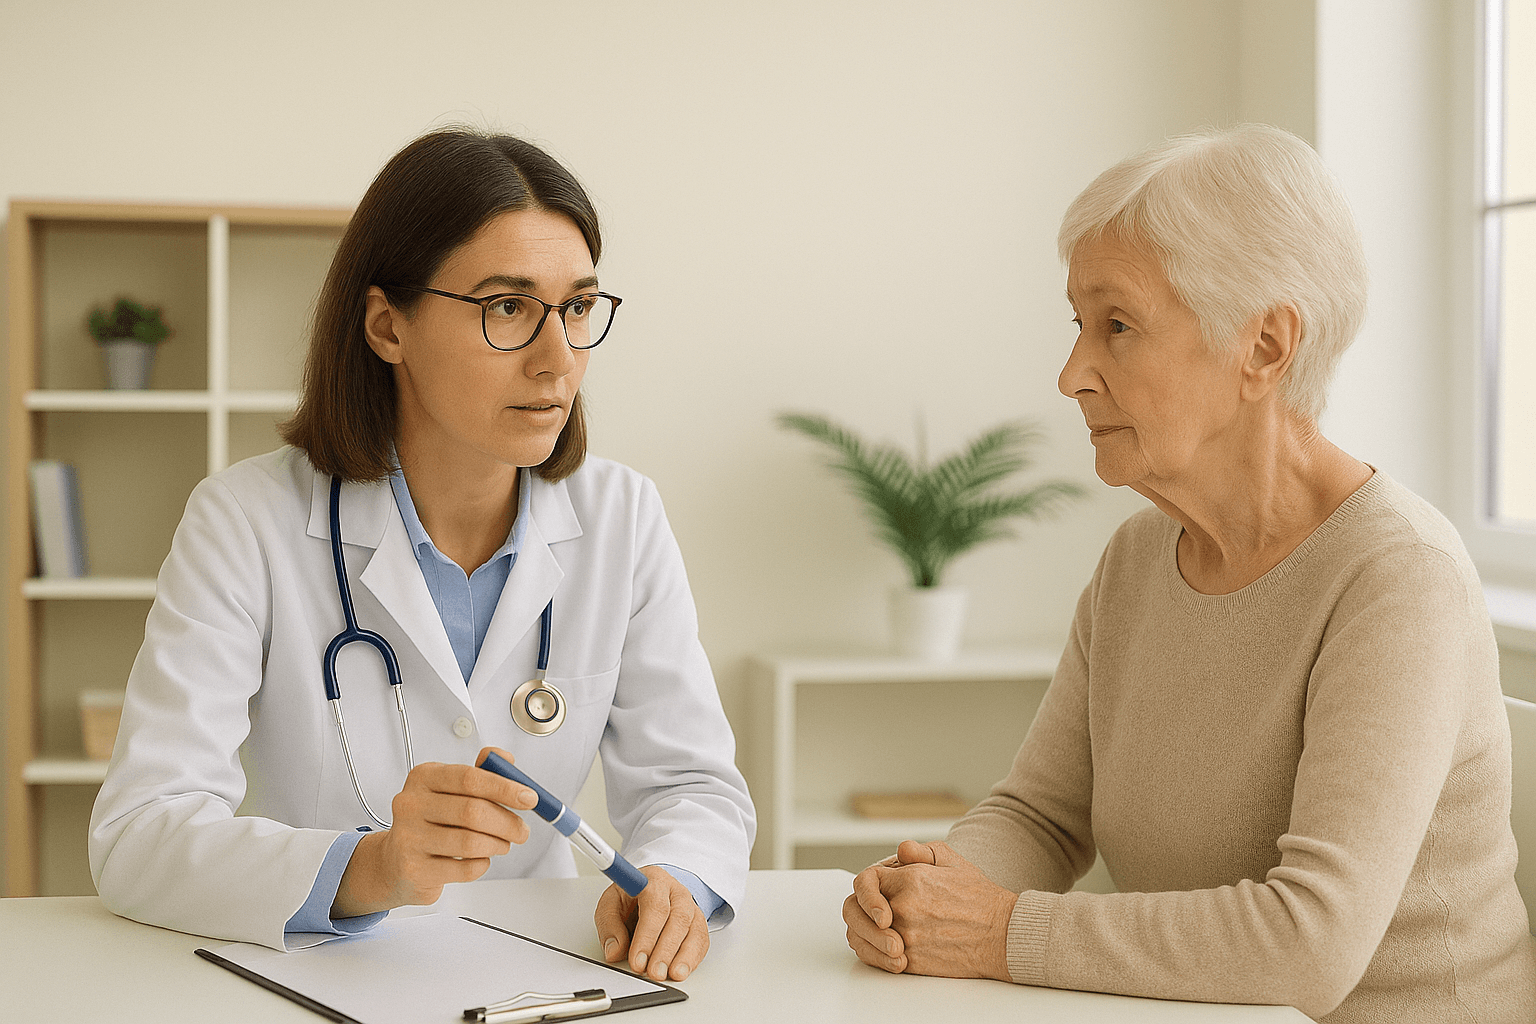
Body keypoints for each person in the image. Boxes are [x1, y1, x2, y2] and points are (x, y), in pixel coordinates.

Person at [842, 124, 1536, 1021]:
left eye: (1117, 326)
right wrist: (929, 893)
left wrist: (997, 931)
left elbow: (1308, 947)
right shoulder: (1138, 559)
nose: (1070, 375)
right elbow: (1043, 815)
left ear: (1264, 347)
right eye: (1078, 325)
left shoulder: (1399, 578)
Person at [89, 128, 754, 984]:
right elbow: (140, 831)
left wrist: (674, 883)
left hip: (550, 982)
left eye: (579, 308)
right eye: (507, 307)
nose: (559, 361)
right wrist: (375, 869)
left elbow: (692, 788)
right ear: (385, 325)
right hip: (331, 978)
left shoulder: (622, 516)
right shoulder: (244, 522)